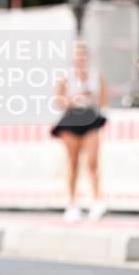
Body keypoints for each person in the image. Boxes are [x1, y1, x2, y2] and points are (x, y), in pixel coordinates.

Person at [51, 40, 108, 222]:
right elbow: (57, 101)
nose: (80, 59)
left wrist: (91, 98)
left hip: (90, 118)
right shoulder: (65, 77)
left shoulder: (96, 77)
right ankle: (72, 203)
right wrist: (72, 99)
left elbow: (103, 101)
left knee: (92, 162)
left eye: (83, 55)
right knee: (73, 163)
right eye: (77, 56)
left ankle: (96, 200)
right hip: (71, 120)